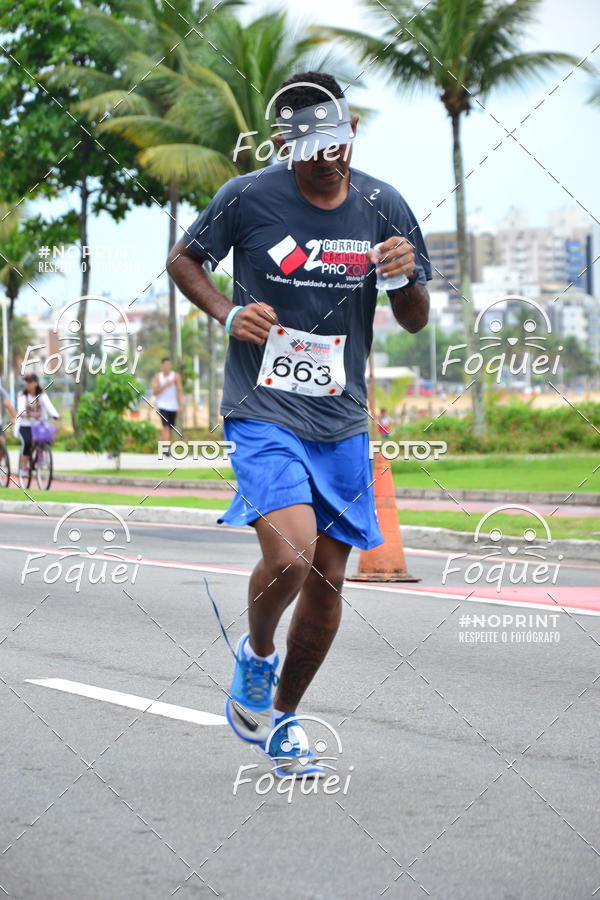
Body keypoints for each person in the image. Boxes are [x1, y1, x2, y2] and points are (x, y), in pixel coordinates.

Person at [167, 71, 431, 774]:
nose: (327, 156)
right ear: (285, 142)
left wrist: (405, 277)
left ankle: (283, 720)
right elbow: (184, 259)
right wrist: (228, 311)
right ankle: (256, 652)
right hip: (263, 409)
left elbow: (414, 318)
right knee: (291, 555)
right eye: (310, 144)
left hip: (342, 420)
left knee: (328, 582)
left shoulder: (383, 205)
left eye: (337, 140)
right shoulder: (249, 197)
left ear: (352, 133)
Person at [15, 374, 59, 478]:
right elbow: (21, 408)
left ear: (36, 383)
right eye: (27, 382)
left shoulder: (41, 395)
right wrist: (23, 413)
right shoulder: (22, 395)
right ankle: (24, 467)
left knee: (43, 438)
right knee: (27, 442)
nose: (28, 384)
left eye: (30, 382)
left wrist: (56, 415)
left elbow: (49, 406)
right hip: (25, 425)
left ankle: (40, 453)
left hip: (39, 424)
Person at [152, 357, 183, 453]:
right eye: (165, 365)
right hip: (162, 405)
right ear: (162, 366)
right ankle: (166, 449)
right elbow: (155, 391)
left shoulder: (175, 376)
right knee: (165, 427)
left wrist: (181, 405)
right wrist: (165, 385)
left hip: (173, 406)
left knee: (169, 428)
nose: (167, 367)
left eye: (169, 365)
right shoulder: (158, 377)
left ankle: (162, 446)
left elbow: (179, 390)